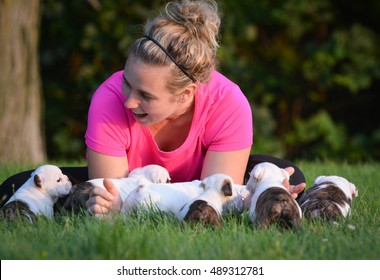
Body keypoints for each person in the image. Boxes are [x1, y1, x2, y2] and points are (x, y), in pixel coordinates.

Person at [0, 0, 305, 211]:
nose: (129, 100)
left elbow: (214, 198)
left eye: (145, 95)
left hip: (192, 179)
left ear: (186, 94)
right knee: (15, 186)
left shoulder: (228, 103)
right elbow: (113, 193)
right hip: (134, 181)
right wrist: (110, 205)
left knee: (288, 175)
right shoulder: (109, 97)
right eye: (127, 82)